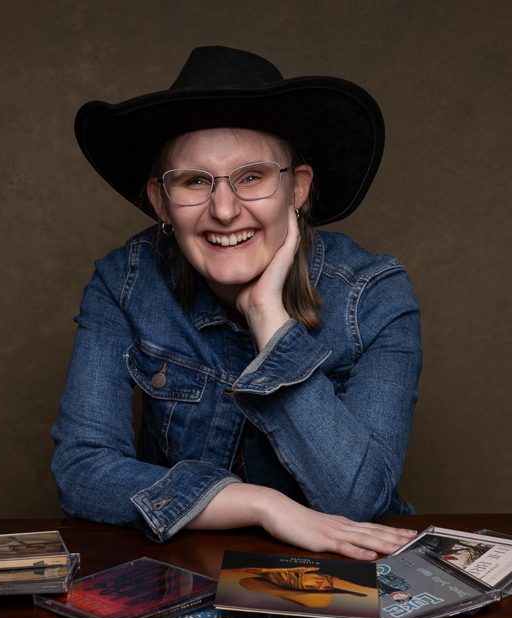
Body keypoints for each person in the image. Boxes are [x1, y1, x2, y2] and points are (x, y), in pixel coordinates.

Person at [54, 46, 422, 561]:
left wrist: (268, 321)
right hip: (183, 573)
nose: (224, 210)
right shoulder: (125, 281)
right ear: (161, 202)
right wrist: (262, 505)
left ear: (297, 187)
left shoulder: (374, 293)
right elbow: (83, 471)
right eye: (194, 182)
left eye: (252, 176)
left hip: (342, 579)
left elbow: (358, 501)